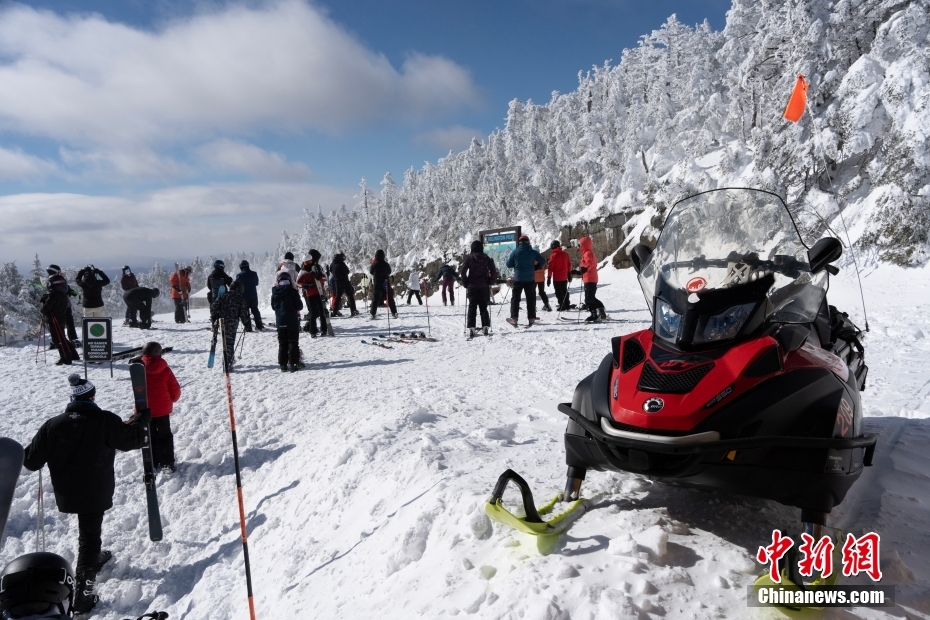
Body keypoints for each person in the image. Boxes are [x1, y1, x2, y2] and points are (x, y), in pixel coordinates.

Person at [22, 374, 150, 614]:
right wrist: (140, 420)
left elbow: (30, 461)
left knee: (88, 534)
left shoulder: (53, 424)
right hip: (95, 489)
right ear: (92, 397)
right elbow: (132, 441)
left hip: (67, 491)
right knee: (89, 537)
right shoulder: (105, 420)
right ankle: (83, 595)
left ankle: (92, 559)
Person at [140, 341, 181, 472]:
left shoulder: (138, 368)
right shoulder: (165, 369)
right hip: (162, 410)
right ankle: (167, 462)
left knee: (149, 436)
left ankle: (153, 461)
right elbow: (175, 390)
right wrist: (173, 399)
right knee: (165, 436)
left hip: (144, 410)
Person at [505, 235, 546, 327]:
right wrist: (536, 267)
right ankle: (531, 317)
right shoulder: (533, 252)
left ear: (519, 242)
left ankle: (514, 318)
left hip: (518, 278)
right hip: (530, 278)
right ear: (528, 242)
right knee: (531, 298)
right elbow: (543, 261)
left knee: (515, 299)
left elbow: (508, 264)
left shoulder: (515, 252)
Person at [41, 273, 80, 365]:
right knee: (62, 338)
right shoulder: (62, 294)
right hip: (61, 319)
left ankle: (66, 358)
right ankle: (73, 355)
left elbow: (45, 309)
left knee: (58, 340)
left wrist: (44, 302)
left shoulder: (54, 295)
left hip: (54, 321)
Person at [460, 240, 497, 338]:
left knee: (472, 306)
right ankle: (485, 326)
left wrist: (465, 282)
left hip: (472, 286)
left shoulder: (469, 258)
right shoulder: (486, 258)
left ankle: (471, 327)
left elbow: (463, 271)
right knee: (483, 307)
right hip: (484, 286)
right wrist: (490, 281)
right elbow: (493, 270)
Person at [210, 281, 249, 369]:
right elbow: (243, 314)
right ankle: (227, 364)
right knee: (229, 344)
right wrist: (246, 324)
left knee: (225, 343)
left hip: (222, 323)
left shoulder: (223, 296)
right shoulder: (240, 299)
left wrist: (214, 318)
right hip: (232, 325)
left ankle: (226, 360)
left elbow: (213, 307)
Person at [271, 271, 304, 372]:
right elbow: (299, 306)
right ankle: (294, 363)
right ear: (289, 280)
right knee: (293, 342)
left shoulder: (275, 293)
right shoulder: (292, 291)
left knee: (282, 343)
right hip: (292, 321)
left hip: (280, 321)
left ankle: (283, 365)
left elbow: (273, 307)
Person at [573, 236, 607, 323]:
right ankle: (601, 309)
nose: (578, 247)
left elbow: (589, 263)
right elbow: (585, 266)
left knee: (588, 299)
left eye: (579, 245)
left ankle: (594, 314)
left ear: (583, 245)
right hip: (590, 278)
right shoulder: (586, 253)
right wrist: (578, 271)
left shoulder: (588, 253)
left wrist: (584, 269)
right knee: (591, 297)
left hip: (590, 278)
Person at [297, 251, 329, 337]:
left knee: (322, 311)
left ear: (312, 260)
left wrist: (319, 277)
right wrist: (305, 285)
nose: (308, 264)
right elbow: (298, 282)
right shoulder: (303, 271)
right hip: (310, 294)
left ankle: (324, 329)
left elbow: (325, 278)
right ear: (304, 262)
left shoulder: (318, 268)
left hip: (320, 292)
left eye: (309, 262)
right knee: (313, 312)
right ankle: (313, 331)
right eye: (306, 262)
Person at [46, 266, 80, 345]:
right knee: (69, 322)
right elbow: (67, 290)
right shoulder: (62, 280)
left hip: (55, 307)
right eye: (59, 270)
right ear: (56, 271)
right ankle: (73, 339)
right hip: (66, 305)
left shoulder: (49, 281)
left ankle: (59, 341)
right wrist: (74, 293)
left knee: (58, 324)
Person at [234, 261, 263, 331]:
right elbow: (256, 283)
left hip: (244, 296)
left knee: (245, 311)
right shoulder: (254, 274)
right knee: (255, 310)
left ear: (241, 267)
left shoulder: (239, 275)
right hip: (253, 295)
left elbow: (237, 286)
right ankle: (259, 326)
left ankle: (248, 327)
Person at [369, 249, 397, 320]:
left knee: (375, 298)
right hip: (385, 282)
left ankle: (373, 313)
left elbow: (371, 272)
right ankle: (394, 312)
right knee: (389, 297)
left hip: (377, 283)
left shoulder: (374, 264)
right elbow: (389, 272)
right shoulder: (386, 264)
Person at [547, 240, 572, 311]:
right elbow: (569, 265)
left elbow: (550, 268)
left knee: (558, 292)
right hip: (564, 277)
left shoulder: (553, 256)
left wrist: (549, 277)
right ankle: (567, 304)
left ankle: (562, 305)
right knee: (565, 291)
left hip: (557, 277)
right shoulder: (565, 254)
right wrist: (569, 274)